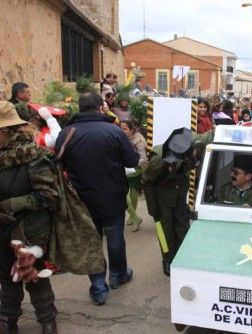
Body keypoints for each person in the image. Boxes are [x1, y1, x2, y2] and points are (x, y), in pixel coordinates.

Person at [55, 92, 139, 306]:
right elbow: (132, 160)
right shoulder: (114, 131)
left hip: (81, 199)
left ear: (80, 108)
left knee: (91, 242)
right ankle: (118, 275)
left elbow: (57, 165)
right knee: (115, 238)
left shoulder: (67, 133)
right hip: (112, 197)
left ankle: (99, 288)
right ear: (101, 107)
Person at [0, 101, 58, 333]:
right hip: (2, 230)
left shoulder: (34, 156)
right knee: (6, 276)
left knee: (35, 278)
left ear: (5, 132)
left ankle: (48, 321)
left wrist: (12, 204)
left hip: (31, 230)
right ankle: (7, 321)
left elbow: (49, 196)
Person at [142, 128, 200, 276]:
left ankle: (183, 258)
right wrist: (153, 207)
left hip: (179, 194)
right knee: (165, 231)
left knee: (182, 226)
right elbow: (147, 180)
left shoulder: (187, 145)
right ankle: (168, 260)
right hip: (162, 198)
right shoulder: (158, 157)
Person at [121, 120, 148, 232]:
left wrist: (133, 163)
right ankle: (136, 217)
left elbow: (144, 159)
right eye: (120, 128)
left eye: (125, 129)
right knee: (123, 195)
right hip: (124, 171)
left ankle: (132, 216)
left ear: (132, 130)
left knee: (133, 196)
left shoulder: (139, 140)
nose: (122, 131)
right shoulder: (120, 138)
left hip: (136, 172)